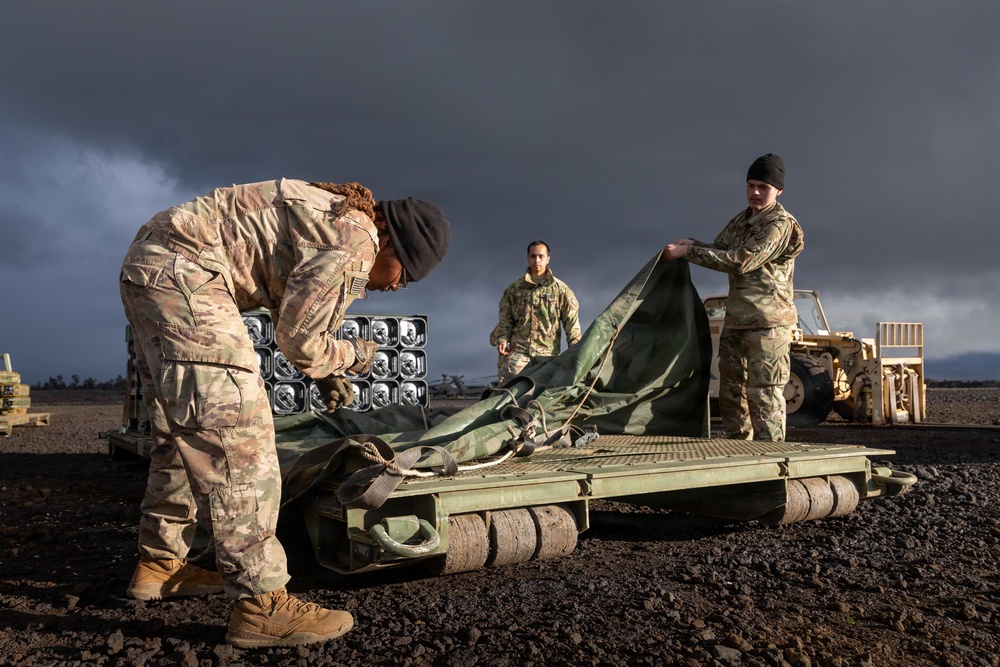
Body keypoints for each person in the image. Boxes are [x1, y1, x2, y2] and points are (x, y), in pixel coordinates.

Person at [118, 179, 449, 648]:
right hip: (189, 273)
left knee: (183, 432)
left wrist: (322, 371)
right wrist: (354, 356)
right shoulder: (357, 238)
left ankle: (161, 565)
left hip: (157, 265)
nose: (397, 286)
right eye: (406, 273)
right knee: (241, 440)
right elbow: (299, 339)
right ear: (390, 240)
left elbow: (295, 315)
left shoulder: (334, 219)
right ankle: (261, 603)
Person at [661, 154, 803, 441]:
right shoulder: (743, 219)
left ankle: (771, 460)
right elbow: (721, 247)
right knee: (731, 394)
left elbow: (740, 260)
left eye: (763, 187)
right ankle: (738, 455)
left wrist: (689, 253)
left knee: (763, 395)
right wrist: (694, 243)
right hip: (737, 320)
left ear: (778, 191)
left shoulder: (778, 224)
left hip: (767, 324)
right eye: (751, 185)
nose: (755, 192)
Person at [489, 240, 582, 384]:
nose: (537, 260)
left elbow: (572, 326)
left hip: (547, 356)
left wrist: (577, 353)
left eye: (541, 256)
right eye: (533, 256)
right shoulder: (514, 289)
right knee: (509, 396)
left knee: (542, 398)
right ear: (528, 258)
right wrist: (502, 339)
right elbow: (505, 320)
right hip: (519, 355)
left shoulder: (561, 290)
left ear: (548, 258)